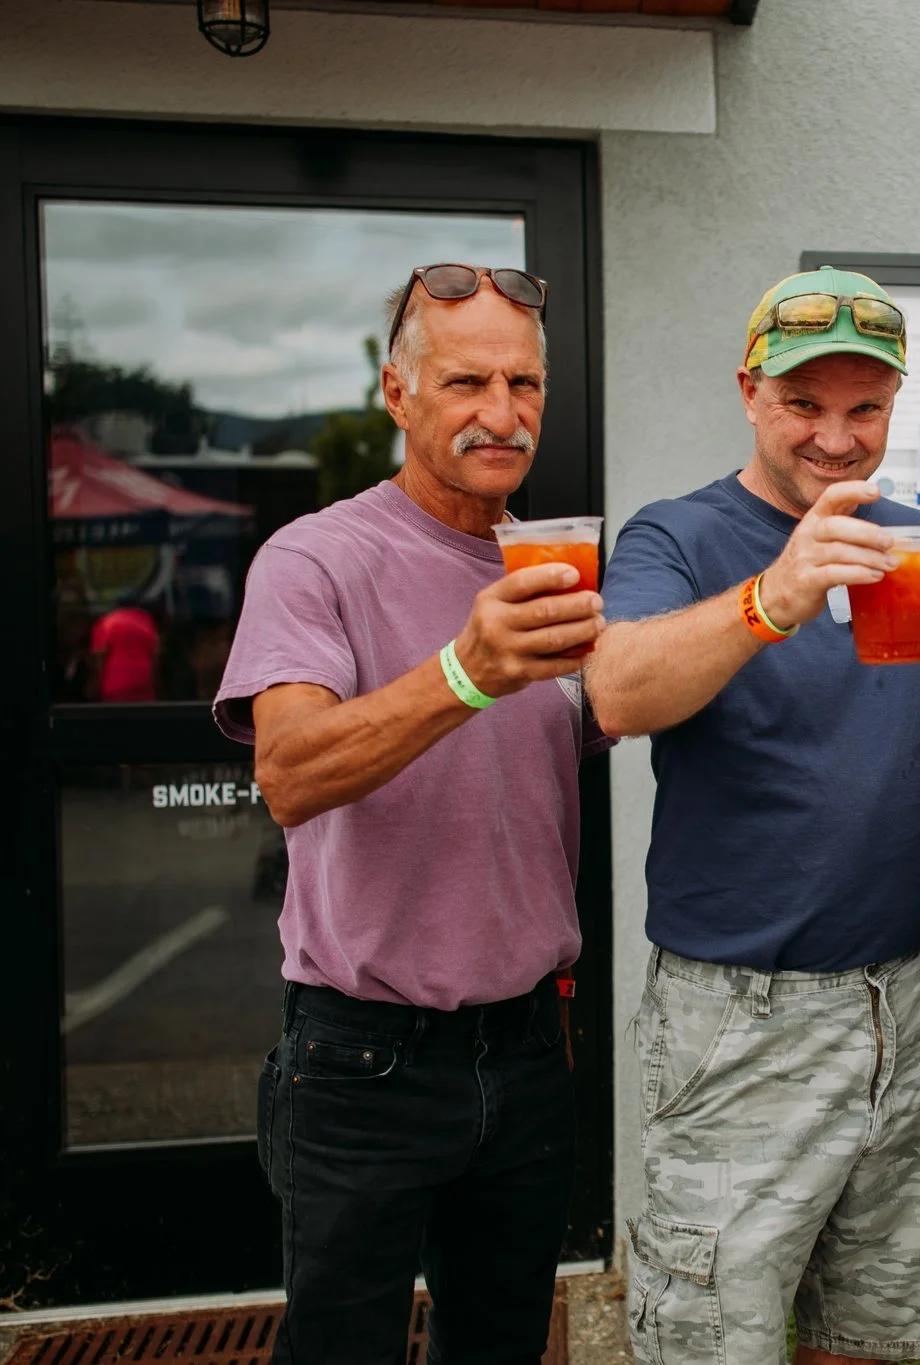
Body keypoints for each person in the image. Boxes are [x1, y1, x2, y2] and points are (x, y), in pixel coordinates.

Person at [583, 267, 920, 1365]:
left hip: (903, 996)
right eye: (803, 405)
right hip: (736, 1011)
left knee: (880, 1333)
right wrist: (778, 593)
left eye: (864, 408)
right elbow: (617, 693)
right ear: (748, 393)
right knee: (715, 1338)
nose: (835, 436)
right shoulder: (673, 537)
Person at [215, 263, 606, 1363]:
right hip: (361, 1058)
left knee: (498, 1348)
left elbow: (610, 717)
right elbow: (288, 773)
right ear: (396, 393)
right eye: (465, 381)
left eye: (524, 383)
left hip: (529, 1045)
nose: (501, 413)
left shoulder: (551, 565)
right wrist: (468, 669)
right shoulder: (316, 558)